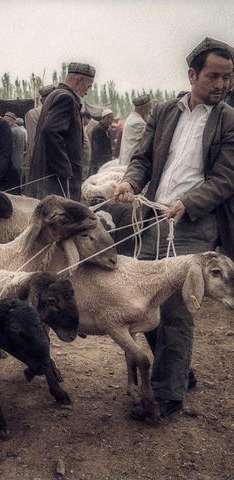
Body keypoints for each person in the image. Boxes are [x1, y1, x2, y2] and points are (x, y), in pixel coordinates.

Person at [114, 37, 234, 419]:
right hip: (155, 220)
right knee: (144, 301)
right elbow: (143, 159)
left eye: (228, 78)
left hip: (195, 224)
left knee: (177, 309)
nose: (221, 85)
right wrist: (131, 182)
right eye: (214, 77)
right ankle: (179, 370)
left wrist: (190, 202)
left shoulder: (229, 120)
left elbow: (225, 178)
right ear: (192, 75)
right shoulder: (165, 111)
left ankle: (167, 394)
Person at [27, 62, 95, 200]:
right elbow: (50, 132)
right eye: (88, 86)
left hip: (47, 178)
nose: (87, 91)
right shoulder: (67, 98)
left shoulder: (55, 95)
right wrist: (65, 171)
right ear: (79, 80)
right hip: (57, 182)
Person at [23, 84, 55, 184]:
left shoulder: (33, 114)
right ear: (42, 101)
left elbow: (33, 143)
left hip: (38, 165)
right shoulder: (35, 114)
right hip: (50, 165)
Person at [119, 94, 153, 165]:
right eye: (149, 108)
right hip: (131, 162)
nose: (150, 111)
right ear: (143, 109)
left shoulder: (133, 118)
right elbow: (151, 139)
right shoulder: (137, 122)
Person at [89, 108, 114, 175]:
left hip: (106, 160)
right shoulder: (98, 129)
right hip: (98, 162)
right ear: (104, 118)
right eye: (109, 118)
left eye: (112, 119)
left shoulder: (107, 129)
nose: (111, 121)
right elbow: (96, 147)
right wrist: (99, 163)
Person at [4, 111, 26, 180]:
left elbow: (9, 148)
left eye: (6, 122)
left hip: (12, 163)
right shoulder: (21, 131)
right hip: (19, 162)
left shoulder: (11, 131)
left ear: (11, 122)